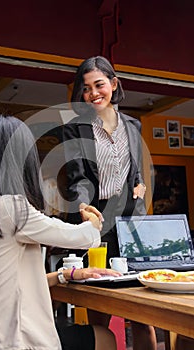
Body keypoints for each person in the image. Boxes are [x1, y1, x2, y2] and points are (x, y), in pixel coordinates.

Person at [0, 114, 119, 350]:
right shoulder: (12, 208)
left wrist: (67, 275)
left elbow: (1, 285)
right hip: (15, 342)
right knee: (105, 338)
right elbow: (81, 236)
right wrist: (93, 221)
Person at [59, 56, 156, 350]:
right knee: (100, 313)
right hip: (97, 227)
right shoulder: (75, 128)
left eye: (99, 84)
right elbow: (77, 178)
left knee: (144, 314)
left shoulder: (133, 126)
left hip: (131, 229)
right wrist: (85, 209)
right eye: (86, 88)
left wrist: (139, 193)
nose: (93, 93)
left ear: (113, 84)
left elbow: (137, 174)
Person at [47, 267, 119, 350]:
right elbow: (32, 286)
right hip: (35, 338)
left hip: (33, 332)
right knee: (104, 337)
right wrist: (65, 274)